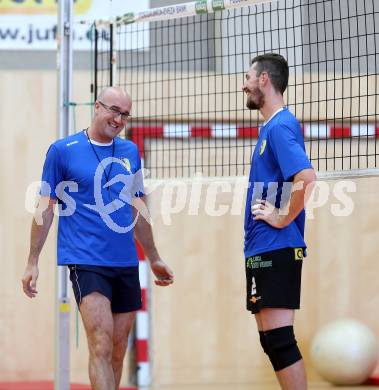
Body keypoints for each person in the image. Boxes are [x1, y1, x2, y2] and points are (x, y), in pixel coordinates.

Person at [22, 86, 174, 390]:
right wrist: (32, 261)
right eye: (113, 110)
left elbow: (137, 208)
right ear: (96, 106)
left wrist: (154, 256)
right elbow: (45, 208)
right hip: (86, 261)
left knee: (118, 351)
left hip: (126, 262)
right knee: (101, 345)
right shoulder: (62, 150)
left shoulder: (130, 152)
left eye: (125, 115)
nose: (118, 119)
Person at [242, 53, 316, 390]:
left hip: (278, 246)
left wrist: (282, 216)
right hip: (263, 247)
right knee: (270, 341)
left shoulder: (281, 125)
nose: (244, 84)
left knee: (280, 340)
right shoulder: (269, 128)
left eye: (248, 77)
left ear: (264, 80)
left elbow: (306, 178)